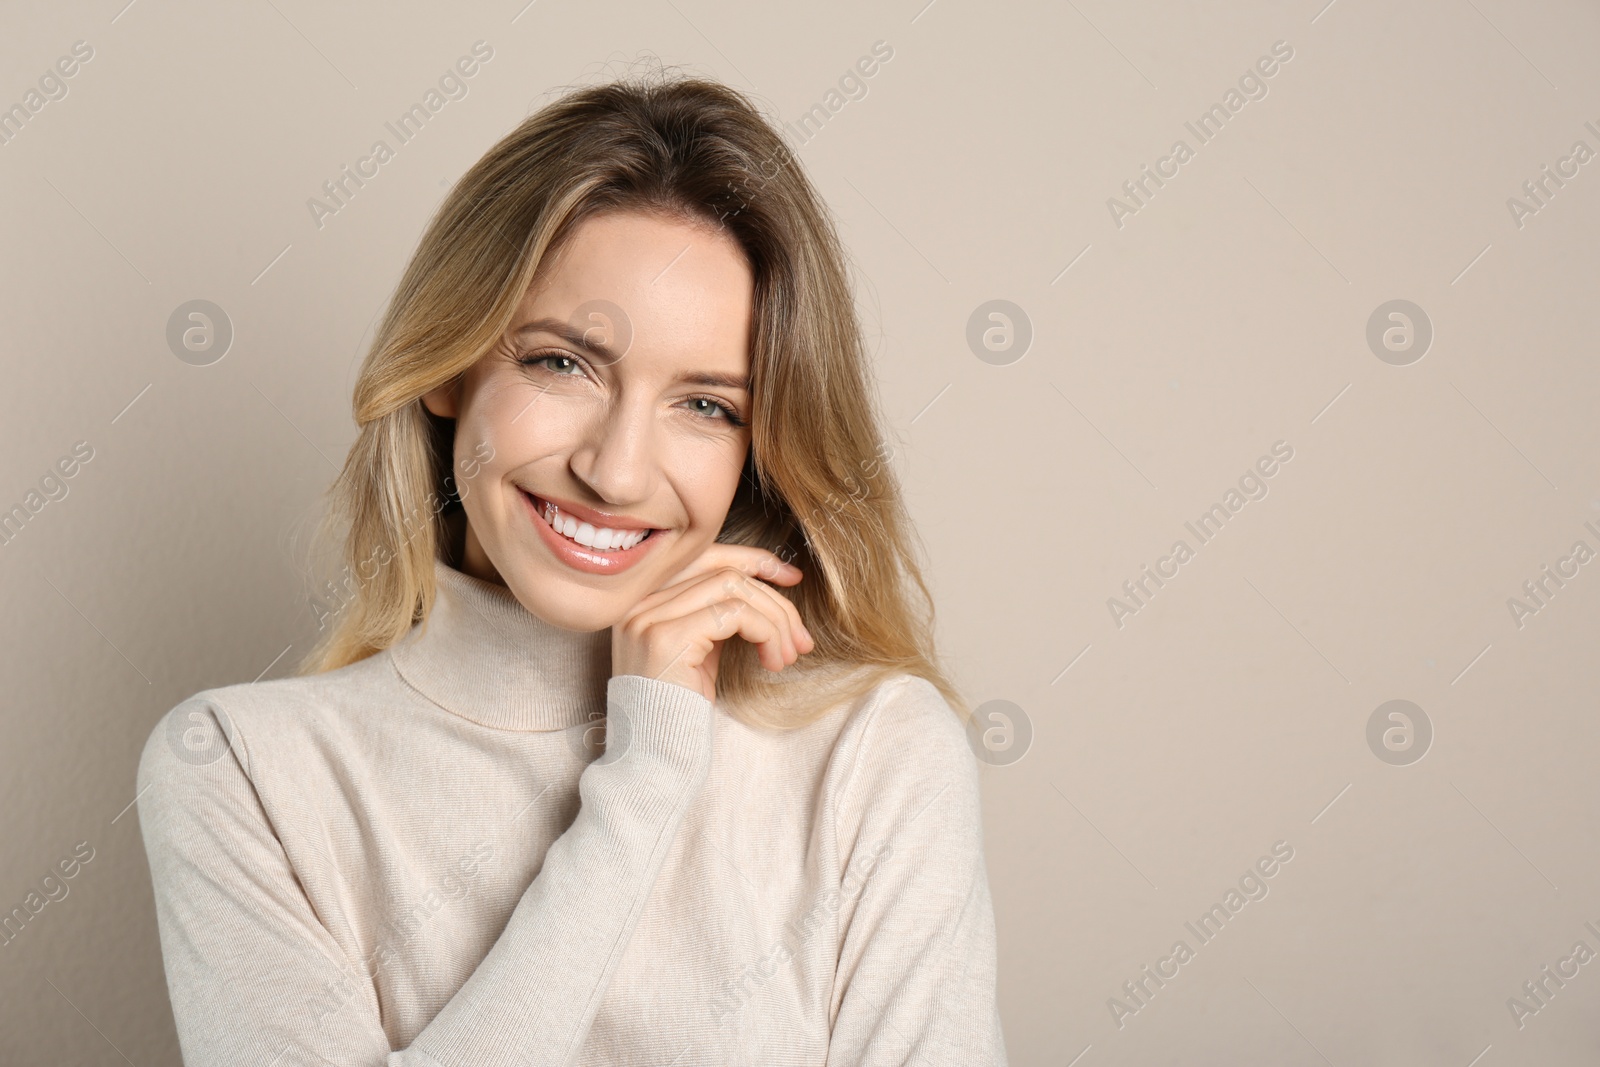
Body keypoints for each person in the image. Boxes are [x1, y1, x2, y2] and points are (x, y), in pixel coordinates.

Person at [136, 71, 1007, 1066]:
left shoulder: (871, 752)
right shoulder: (241, 770)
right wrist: (647, 773)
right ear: (451, 367)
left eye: (707, 405)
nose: (615, 468)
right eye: (563, 363)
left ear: (757, 450)